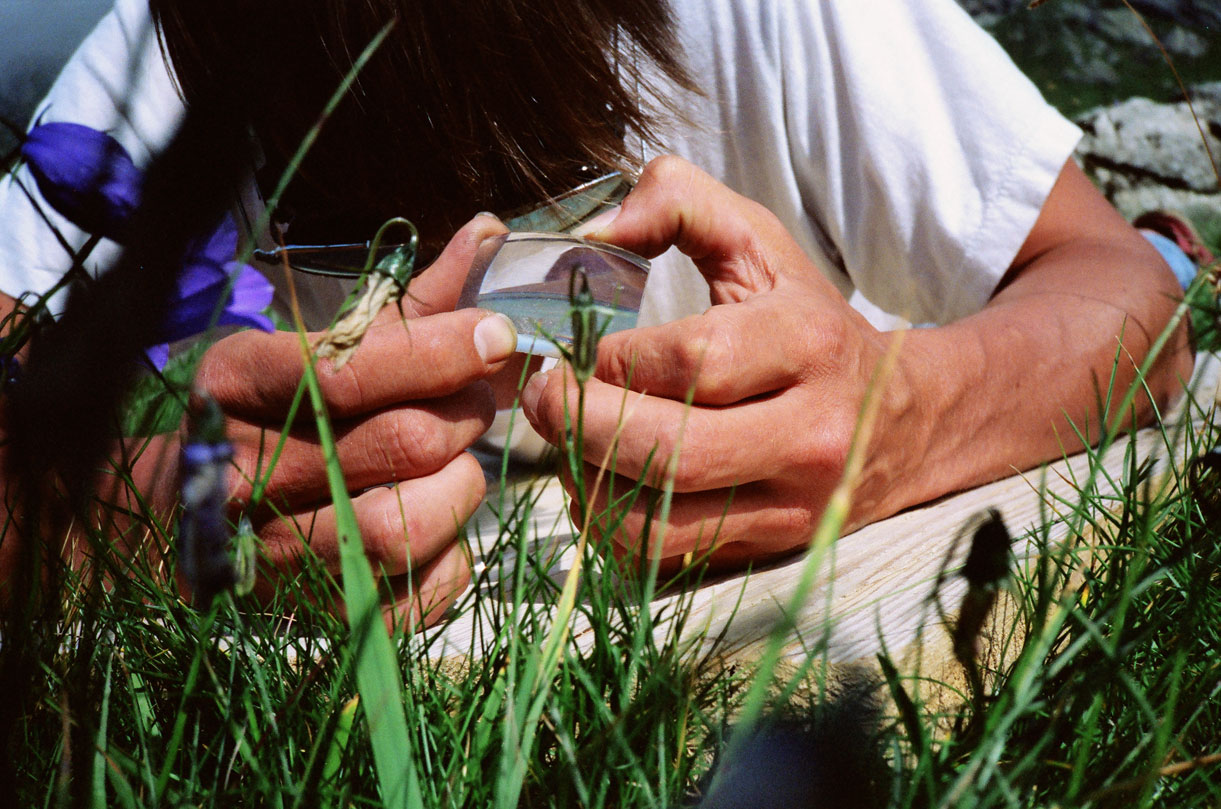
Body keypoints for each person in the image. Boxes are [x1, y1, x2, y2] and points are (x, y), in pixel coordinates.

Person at [0, 0, 1194, 624]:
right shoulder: (179, 52)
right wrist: (98, 514)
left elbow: (1125, 293)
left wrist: (903, 414)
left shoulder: (779, 14)